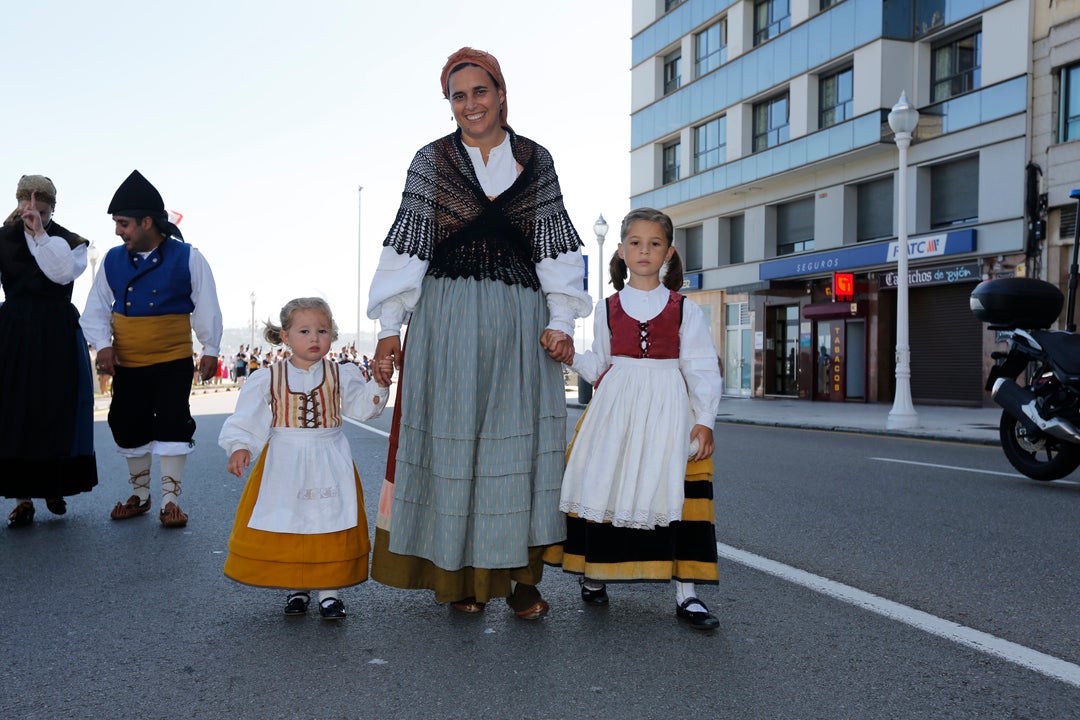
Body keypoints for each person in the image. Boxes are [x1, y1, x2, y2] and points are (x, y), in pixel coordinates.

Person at [367, 47, 589, 619]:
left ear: (501, 93)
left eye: (480, 92)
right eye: (458, 96)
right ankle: (459, 576)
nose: (471, 104)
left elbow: (555, 249)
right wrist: (389, 329)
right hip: (448, 318)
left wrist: (561, 322)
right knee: (454, 442)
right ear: (450, 104)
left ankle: (520, 579)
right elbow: (407, 247)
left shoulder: (536, 161)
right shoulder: (431, 161)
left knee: (518, 449)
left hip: (521, 321)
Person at [544, 208, 723, 631]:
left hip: (669, 410)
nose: (645, 250)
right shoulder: (607, 310)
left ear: (669, 253)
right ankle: (594, 574)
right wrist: (572, 357)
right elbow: (602, 366)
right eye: (636, 243)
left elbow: (700, 367)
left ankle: (687, 591)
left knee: (680, 493)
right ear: (622, 251)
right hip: (616, 410)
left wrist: (706, 419)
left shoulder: (685, 310)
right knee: (604, 481)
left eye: (655, 243)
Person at [219, 298, 393, 619]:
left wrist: (378, 385)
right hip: (285, 458)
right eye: (305, 331)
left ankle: (329, 592)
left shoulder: (341, 373)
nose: (315, 338)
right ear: (285, 337)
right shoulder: (268, 377)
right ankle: (295, 587)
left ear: (332, 334)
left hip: (329, 456)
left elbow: (361, 408)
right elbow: (247, 417)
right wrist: (240, 446)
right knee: (290, 519)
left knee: (329, 519)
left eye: (322, 330)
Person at [81, 170, 222, 529]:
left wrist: (211, 348)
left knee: (173, 423)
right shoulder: (112, 260)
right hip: (128, 362)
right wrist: (103, 346)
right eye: (116, 223)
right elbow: (96, 309)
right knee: (127, 423)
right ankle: (141, 497)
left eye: (123, 223)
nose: (117, 231)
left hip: (173, 360)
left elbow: (206, 306)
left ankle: (171, 502)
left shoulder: (188, 257)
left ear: (147, 222)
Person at [0, 175, 98, 527]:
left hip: (55, 329)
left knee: (55, 405)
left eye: (41, 210)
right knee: (15, 409)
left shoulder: (69, 241)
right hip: (14, 331)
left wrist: (40, 235)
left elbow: (60, 274)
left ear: (52, 209)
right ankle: (22, 498)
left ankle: (54, 487)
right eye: (27, 208)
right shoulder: (3, 238)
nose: (33, 215)